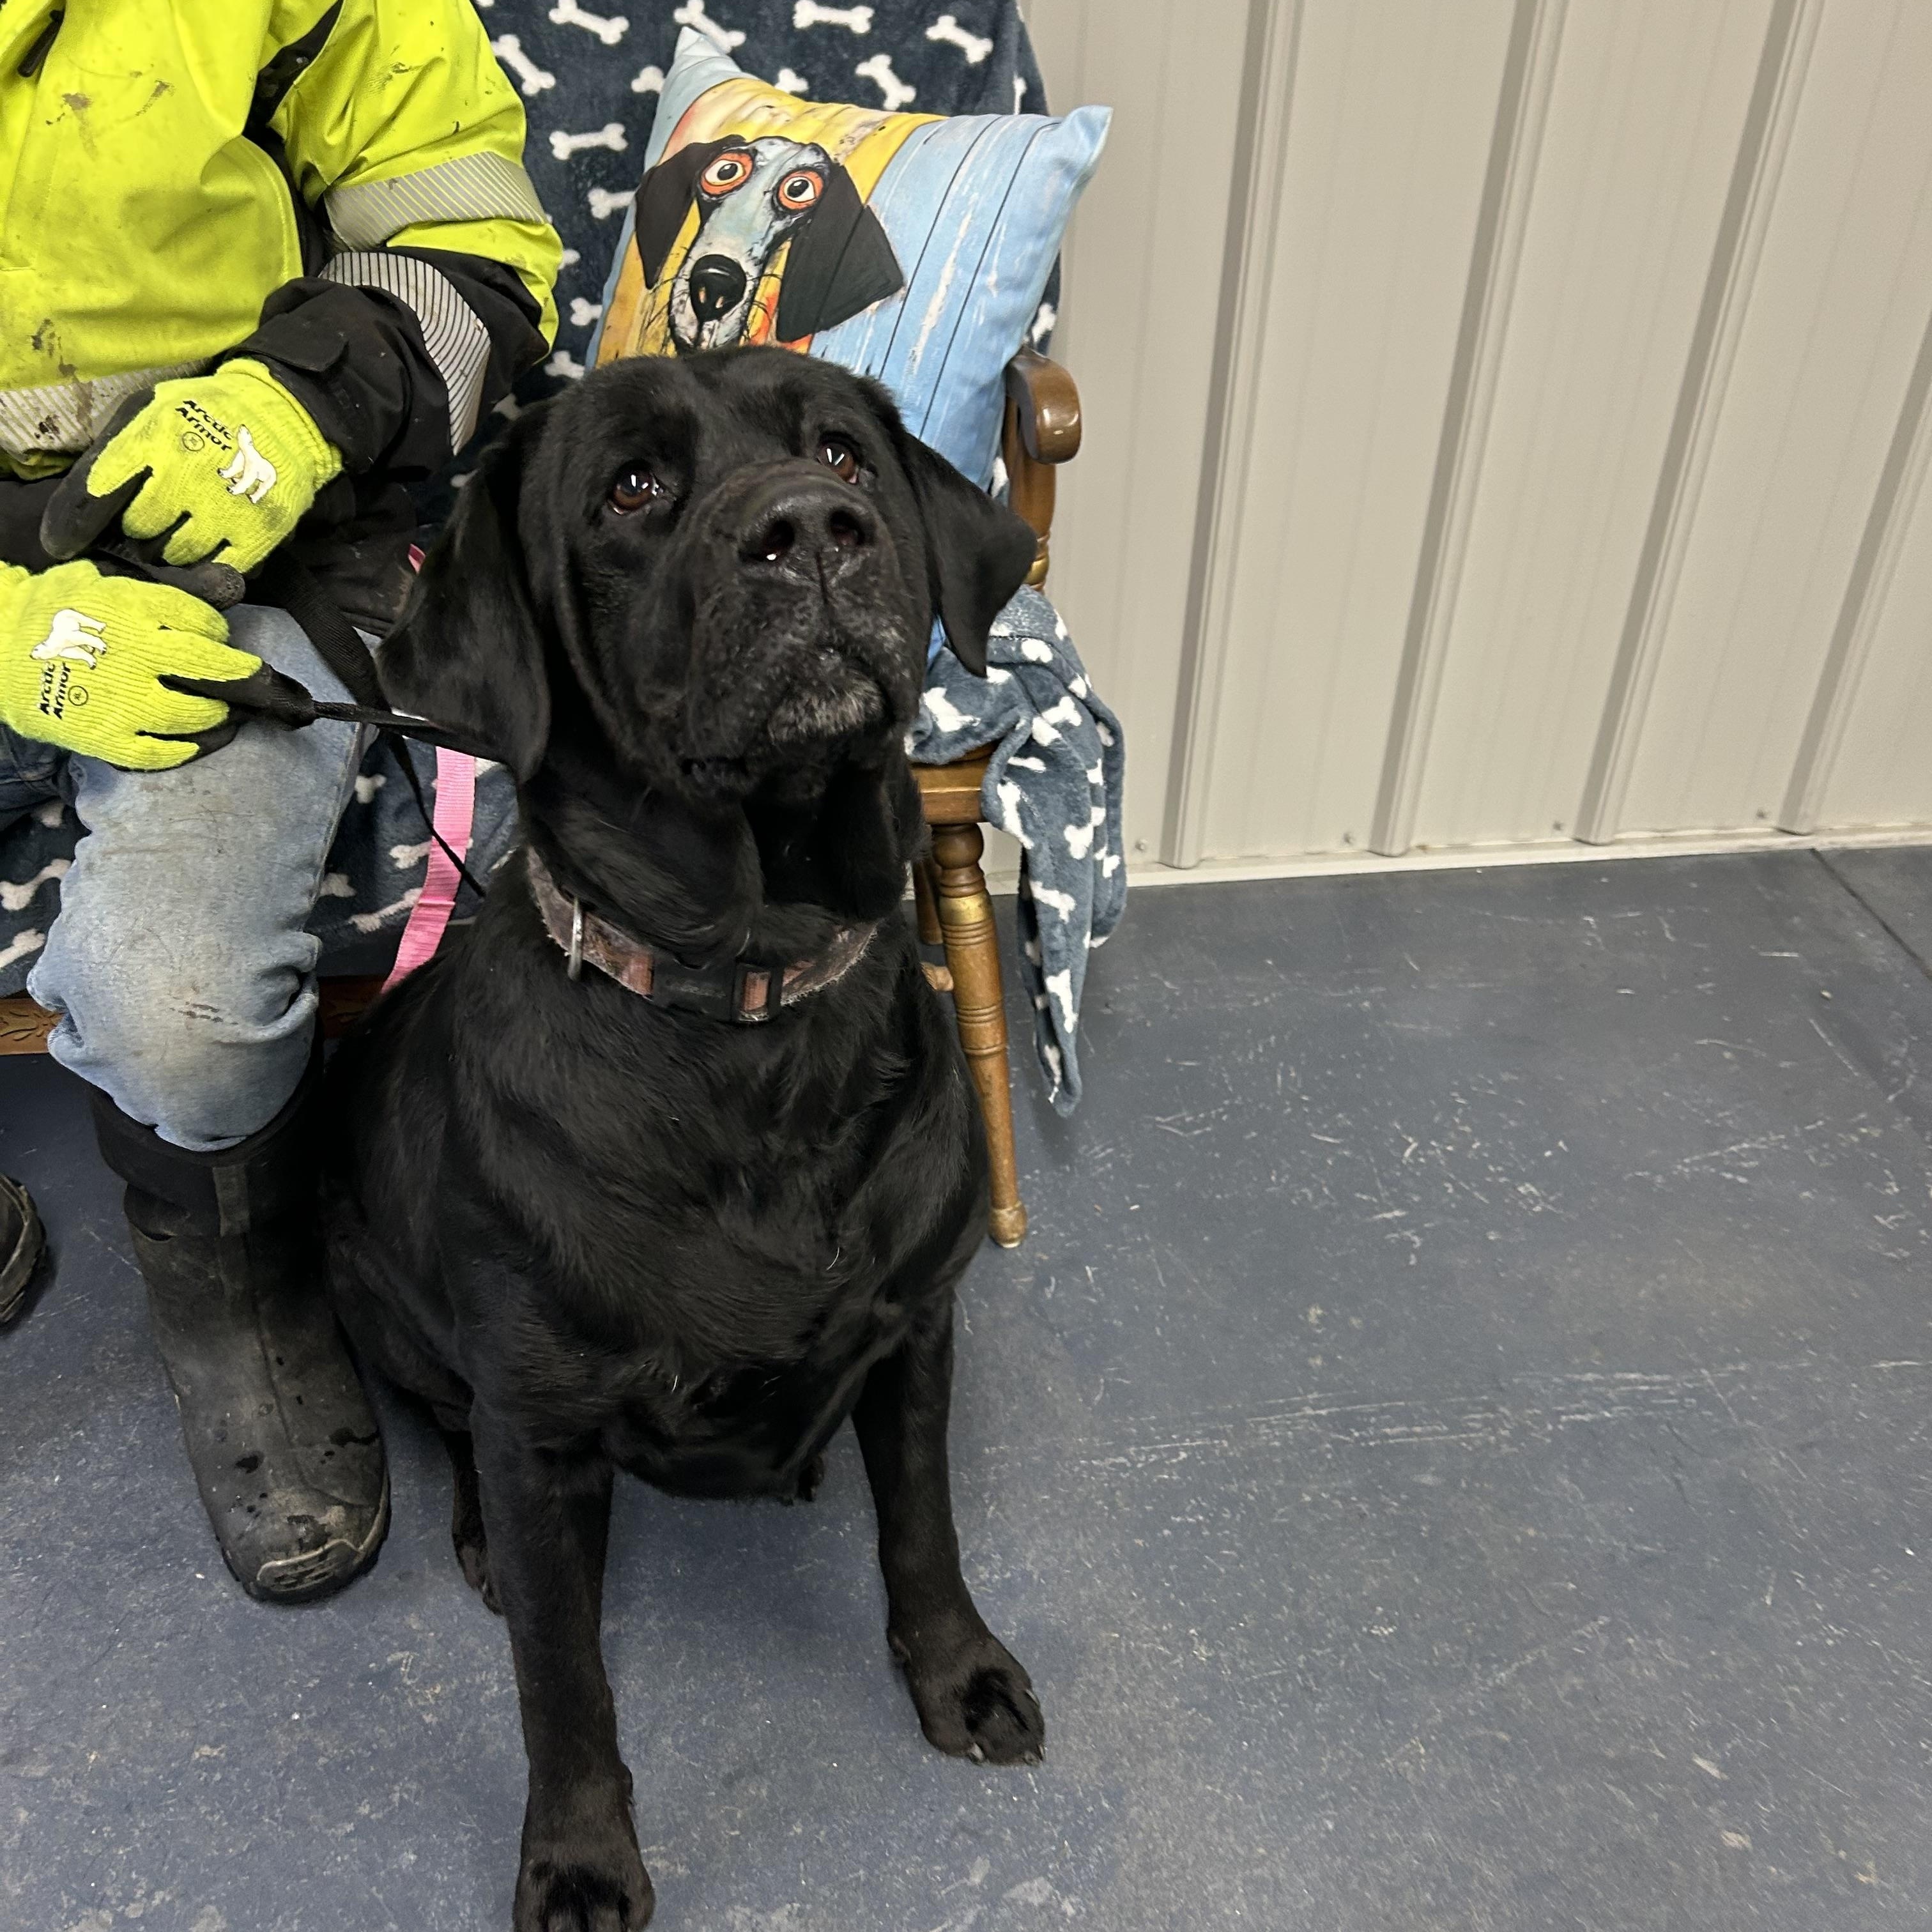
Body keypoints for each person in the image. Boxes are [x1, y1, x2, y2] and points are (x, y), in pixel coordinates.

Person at [0, 2, 561, 1602]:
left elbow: (475, 240)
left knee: (178, 1005)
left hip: (235, 538)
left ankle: (239, 1301)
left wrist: (304, 400)